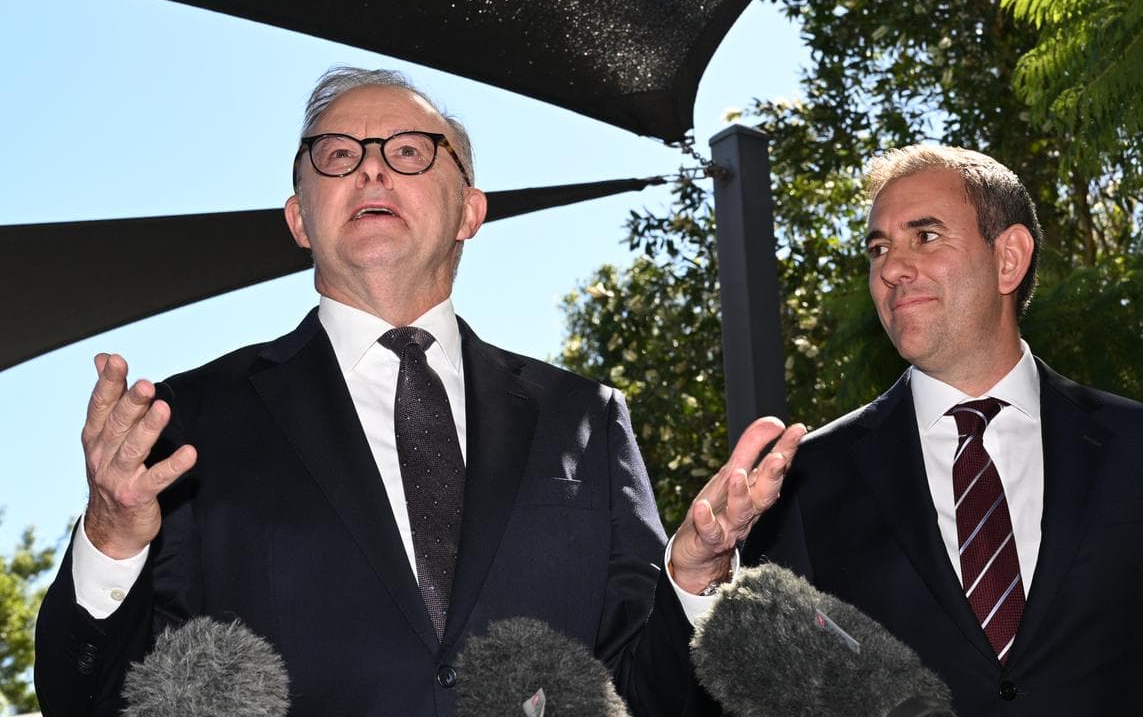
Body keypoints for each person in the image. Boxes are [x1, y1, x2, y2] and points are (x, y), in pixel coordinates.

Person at [34, 67, 804, 717]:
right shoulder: (184, 424)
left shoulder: (584, 419)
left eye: (408, 152)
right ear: (300, 218)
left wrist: (697, 578)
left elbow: (645, 689)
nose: (371, 170)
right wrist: (109, 539)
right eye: (337, 155)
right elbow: (91, 698)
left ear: (471, 211)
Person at [732, 144, 1143, 715]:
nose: (891, 268)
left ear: (1009, 258)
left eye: (925, 236)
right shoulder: (806, 481)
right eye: (878, 249)